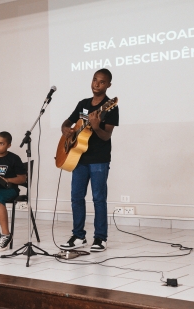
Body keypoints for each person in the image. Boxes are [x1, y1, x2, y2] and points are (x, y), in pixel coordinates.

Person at [59, 68, 119, 252]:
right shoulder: (83, 104)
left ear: (108, 85)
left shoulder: (111, 107)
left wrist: (95, 126)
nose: (96, 84)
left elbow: (106, 136)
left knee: (98, 199)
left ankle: (100, 238)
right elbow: (66, 124)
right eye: (94, 80)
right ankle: (78, 236)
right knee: (76, 197)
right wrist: (66, 131)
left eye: (101, 82)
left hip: (99, 159)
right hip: (78, 158)